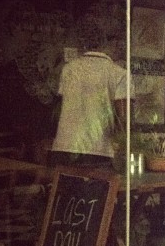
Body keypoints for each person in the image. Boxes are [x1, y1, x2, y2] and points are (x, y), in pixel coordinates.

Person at [50, 39, 132, 167]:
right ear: (113, 45)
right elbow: (123, 117)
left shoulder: (68, 69)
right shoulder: (119, 73)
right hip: (98, 149)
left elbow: (60, 109)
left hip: (64, 145)